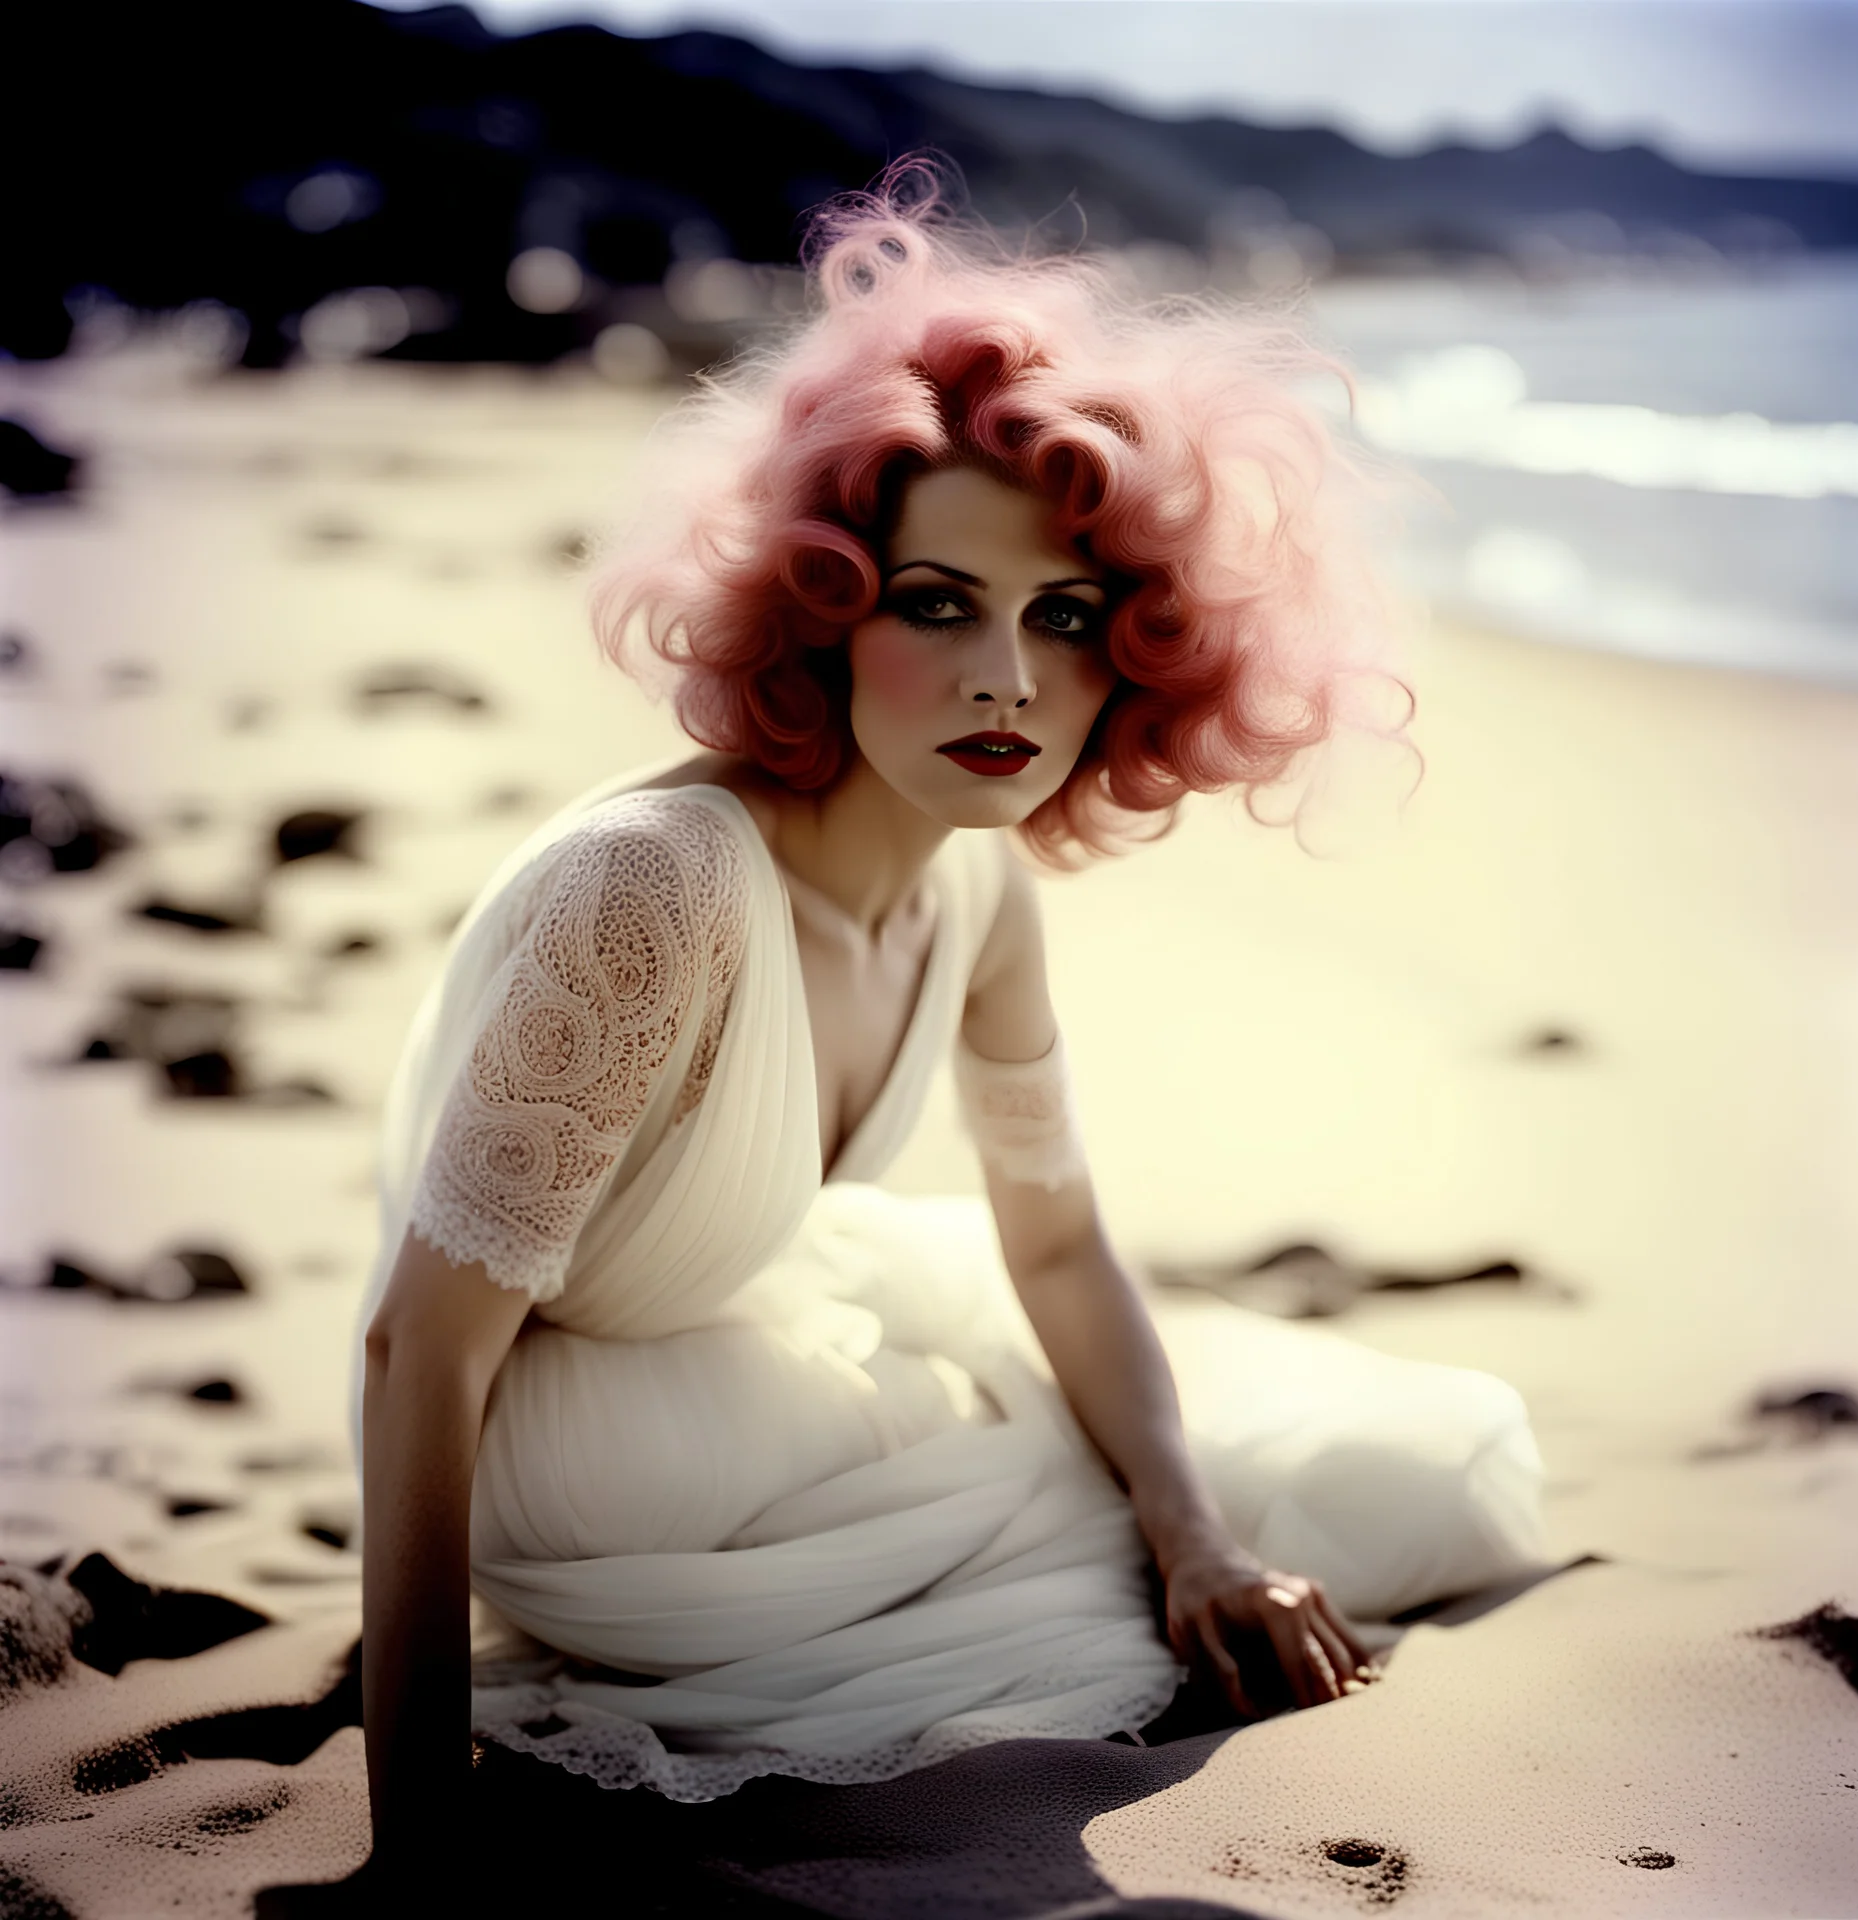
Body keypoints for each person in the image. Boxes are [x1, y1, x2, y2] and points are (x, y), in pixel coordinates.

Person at [347, 164, 1549, 1894]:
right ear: (825, 609)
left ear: (1134, 654)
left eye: (1062, 619)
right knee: (1134, 1513)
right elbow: (417, 1348)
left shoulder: (981, 892)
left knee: (1262, 1487)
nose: (1007, 678)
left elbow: (1056, 1246)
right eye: (938, 603)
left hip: (753, 1333)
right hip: (570, 1446)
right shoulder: (657, 887)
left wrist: (1196, 1542)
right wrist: (418, 1832)